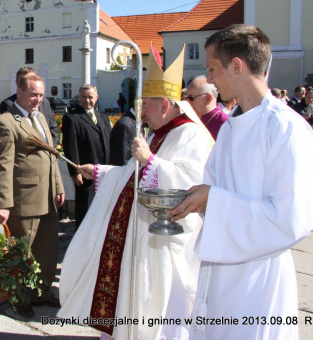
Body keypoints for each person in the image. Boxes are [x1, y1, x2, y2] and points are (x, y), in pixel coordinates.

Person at [169, 24, 313, 340]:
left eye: (212, 69)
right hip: (219, 270)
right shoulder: (230, 127)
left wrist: (215, 201)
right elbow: (214, 189)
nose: (209, 79)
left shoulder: (285, 129)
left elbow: (292, 218)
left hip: (258, 280)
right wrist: (198, 198)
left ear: (236, 66)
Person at [58, 45, 213, 340]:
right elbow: (133, 174)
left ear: (165, 105)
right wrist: (101, 171)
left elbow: (190, 184)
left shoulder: (190, 134)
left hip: (167, 243)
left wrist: (150, 161)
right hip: (141, 238)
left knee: (164, 308)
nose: (141, 112)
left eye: (147, 105)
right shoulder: (156, 132)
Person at [0, 73, 65, 318]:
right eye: (33, 94)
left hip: (48, 196)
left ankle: (42, 292)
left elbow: (51, 154)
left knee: (47, 250)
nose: (38, 99)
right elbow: (2, 165)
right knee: (22, 252)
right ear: (19, 92)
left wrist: (59, 186)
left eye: (41, 95)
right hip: (24, 200)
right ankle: (19, 297)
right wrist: (4, 204)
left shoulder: (41, 117)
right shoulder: (6, 122)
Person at [62, 84, 112, 229]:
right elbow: (70, 147)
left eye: (90, 97)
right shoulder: (72, 118)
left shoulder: (103, 117)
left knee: (103, 208)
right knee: (85, 209)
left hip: (104, 171)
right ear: (79, 98)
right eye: (83, 97)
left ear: (96, 97)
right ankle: (82, 241)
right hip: (85, 174)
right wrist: (75, 172)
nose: (87, 100)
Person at [0, 66, 59, 146]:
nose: (38, 99)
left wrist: (50, 148)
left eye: (33, 78)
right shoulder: (8, 104)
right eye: (23, 80)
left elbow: (53, 127)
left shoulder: (45, 102)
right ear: (17, 83)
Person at [185, 75, 228, 140]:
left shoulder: (225, 124)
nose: (187, 103)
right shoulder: (190, 118)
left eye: (191, 98)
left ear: (208, 98)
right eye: (186, 98)